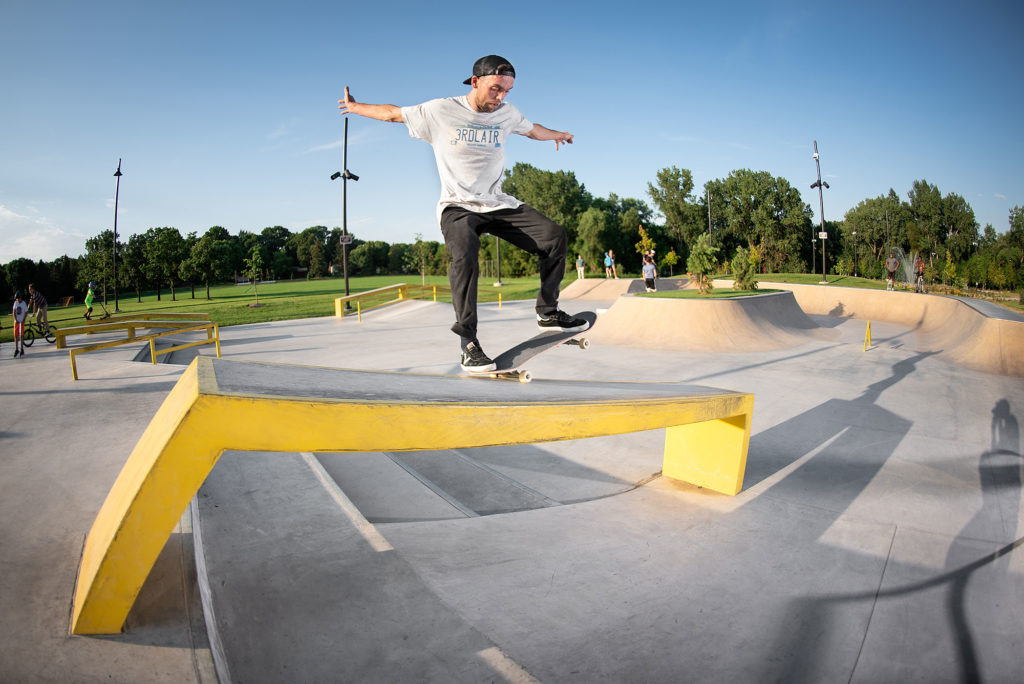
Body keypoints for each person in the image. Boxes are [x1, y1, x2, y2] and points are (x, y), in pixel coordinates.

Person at [338, 55, 587, 373]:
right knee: (466, 254)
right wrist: (357, 108)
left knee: (554, 237)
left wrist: (557, 135)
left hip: (496, 204)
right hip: (457, 207)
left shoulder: (508, 113)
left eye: (507, 91)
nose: (501, 98)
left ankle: (548, 311)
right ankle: (468, 344)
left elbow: (531, 129)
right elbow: (393, 115)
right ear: (475, 82)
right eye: (495, 89)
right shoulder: (441, 110)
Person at [12, 290, 28, 357]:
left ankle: (22, 349)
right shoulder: (15, 303)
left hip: (21, 322)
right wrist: (15, 319)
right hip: (16, 322)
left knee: (21, 335)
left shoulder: (23, 303)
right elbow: (14, 312)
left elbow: (26, 312)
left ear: (21, 297)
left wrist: (24, 320)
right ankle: (16, 349)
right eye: (17, 298)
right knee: (16, 335)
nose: (17, 299)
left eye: (18, 298)